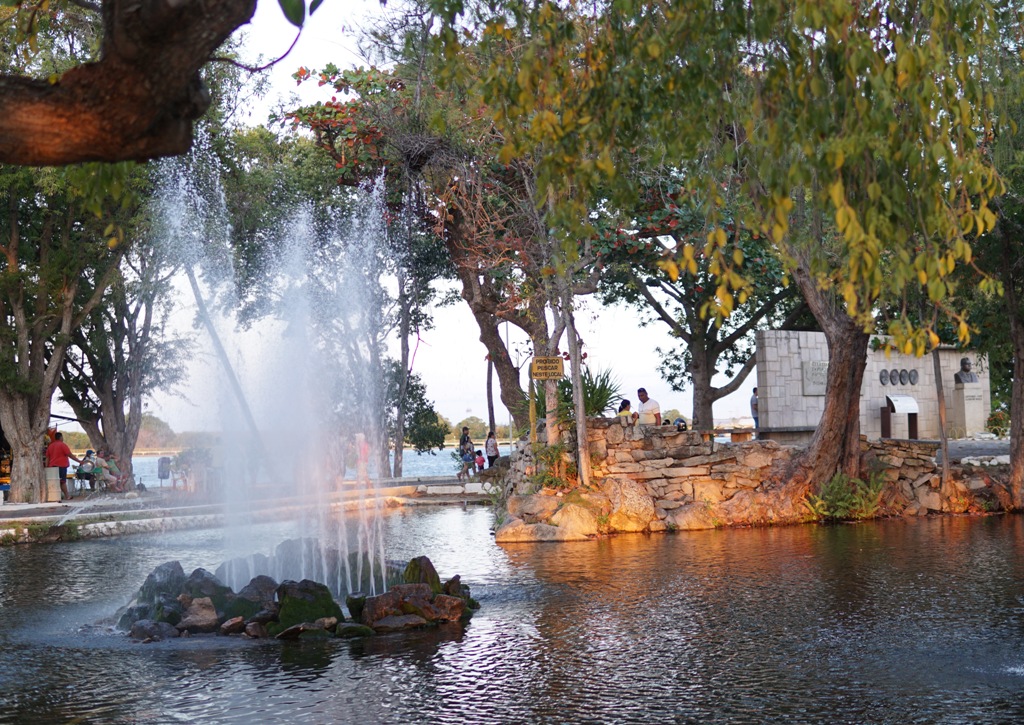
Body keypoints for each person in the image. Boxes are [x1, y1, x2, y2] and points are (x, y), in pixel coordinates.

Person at [45, 432, 81, 501]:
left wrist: (47, 467)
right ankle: (67, 496)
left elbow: (47, 457)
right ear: (61, 437)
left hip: (52, 467)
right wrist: (79, 461)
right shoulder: (63, 445)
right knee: (62, 481)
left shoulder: (50, 446)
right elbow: (70, 455)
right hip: (61, 466)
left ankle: (58, 496)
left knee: (55, 481)